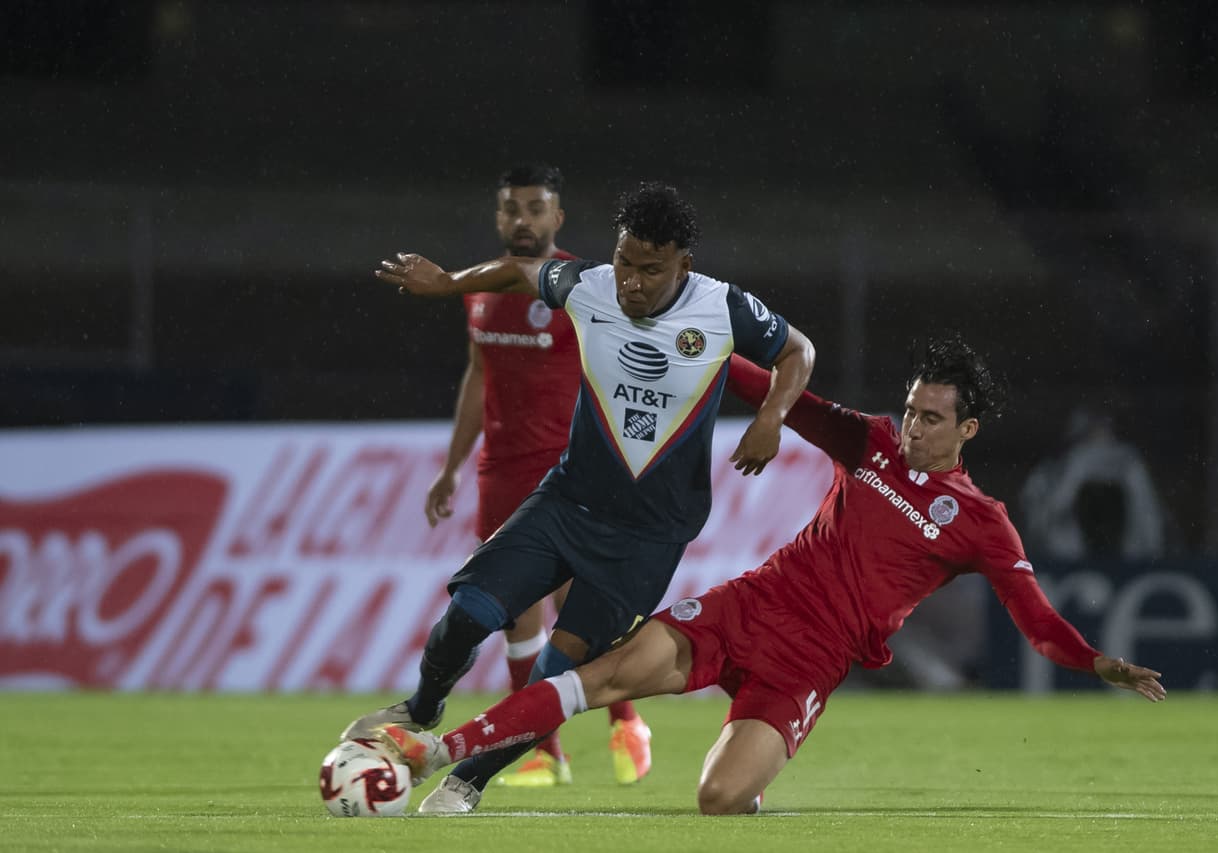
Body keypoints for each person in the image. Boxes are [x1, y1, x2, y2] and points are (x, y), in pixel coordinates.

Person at [375, 336, 1167, 816]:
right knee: (606, 673)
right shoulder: (873, 443)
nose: (912, 425)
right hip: (750, 605)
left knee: (719, 800)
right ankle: (442, 753)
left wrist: (1094, 660)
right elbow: (781, 393)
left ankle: (745, 786)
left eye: (932, 418)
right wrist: (707, 350)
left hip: (810, 663)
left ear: (968, 428)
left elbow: (1032, 617)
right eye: (911, 409)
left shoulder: (983, 521)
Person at [347, 182, 816, 814]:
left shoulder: (722, 308)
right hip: (566, 505)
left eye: (651, 270)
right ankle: (423, 708)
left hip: (645, 542)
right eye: (626, 262)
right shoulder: (589, 286)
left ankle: (469, 781)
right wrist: (450, 281)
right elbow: (516, 271)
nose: (633, 281)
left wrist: (771, 417)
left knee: (555, 679)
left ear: (685, 265)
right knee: (464, 618)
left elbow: (797, 350)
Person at [420, 163, 652, 787]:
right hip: (500, 471)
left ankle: (626, 720)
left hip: (570, 472)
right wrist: (452, 466)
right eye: (510, 209)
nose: (521, 220)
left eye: (534, 208)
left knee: (576, 609)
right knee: (510, 615)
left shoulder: (583, 290)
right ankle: (545, 751)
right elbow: (479, 376)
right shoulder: (480, 288)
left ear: (558, 217)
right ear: (498, 218)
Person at [1019, 407, 1166, 560]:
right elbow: (1054, 508)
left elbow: (1146, 509)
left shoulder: (1129, 461)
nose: (1100, 439)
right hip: (1067, 553)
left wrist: (1151, 548)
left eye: (1104, 430)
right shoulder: (1054, 469)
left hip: (1129, 550)